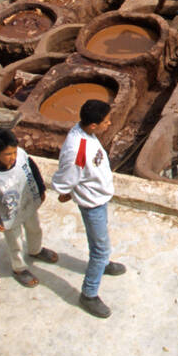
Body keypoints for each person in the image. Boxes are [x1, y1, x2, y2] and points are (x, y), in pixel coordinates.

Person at [53, 99, 125, 318]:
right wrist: (67, 192)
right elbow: (65, 179)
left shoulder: (86, 135)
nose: (109, 123)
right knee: (100, 248)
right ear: (92, 125)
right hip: (92, 203)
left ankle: (102, 263)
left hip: (99, 198)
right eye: (106, 121)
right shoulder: (78, 150)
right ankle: (89, 293)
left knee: (101, 240)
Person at [0, 127, 58, 287]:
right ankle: (19, 268)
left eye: (14, 152)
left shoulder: (22, 156)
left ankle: (35, 250)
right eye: (8, 154)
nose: (12, 157)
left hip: (27, 204)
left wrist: (41, 189)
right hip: (9, 214)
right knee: (15, 243)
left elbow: (33, 171)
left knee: (35, 228)